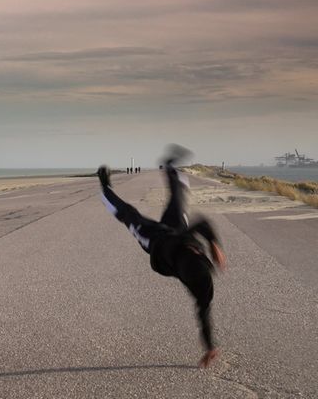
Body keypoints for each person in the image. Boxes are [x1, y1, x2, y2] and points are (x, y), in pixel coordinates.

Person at [97, 147, 226, 368]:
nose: (198, 250)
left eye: (197, 252)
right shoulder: (193, 256)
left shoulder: (199, 281)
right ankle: (169, 167)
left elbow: (203, 315)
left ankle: (104, 187)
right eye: (199, 251)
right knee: (177, 199)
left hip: (155, 241)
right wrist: (214, 244)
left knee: (128, 213)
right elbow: (202, 224)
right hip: (178, 232)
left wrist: (209, 346)